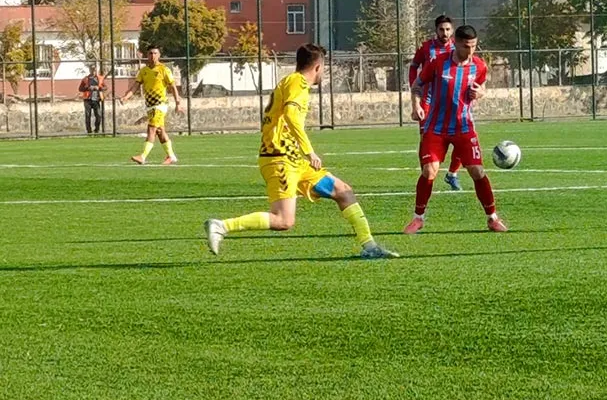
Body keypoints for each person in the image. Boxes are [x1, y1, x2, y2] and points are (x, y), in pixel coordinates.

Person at [204, 44, 398, 259]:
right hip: (280, 160)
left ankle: (369, 246)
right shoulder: (298, 83)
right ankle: (221, 226)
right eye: (323, 67)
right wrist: (309, 151)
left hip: (294, 160)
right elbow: (291, 116)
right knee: (283, 220)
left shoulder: (290, 81)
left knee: (342, 191)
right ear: (317, 67)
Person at [403, 25, 507, 234]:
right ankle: (418, 218)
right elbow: (417, 85)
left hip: (464, 127)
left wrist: (481, 94)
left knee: (477, 171)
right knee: (429, 170)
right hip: (436, 127)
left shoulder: (479, 65)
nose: (470, 51)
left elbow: (481, 87)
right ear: (456, 43)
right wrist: (416, 106)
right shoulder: (438, 63)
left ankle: (492, 218)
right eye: (466, 46)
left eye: (474, 46)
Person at [410, 14, 466, 190]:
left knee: (462, 138)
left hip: (452, 101)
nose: (445, 32)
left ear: (453, 30)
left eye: (448, 29)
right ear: (436, 30)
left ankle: (452, 174)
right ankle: (426, 175)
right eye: (441, 29)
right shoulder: (426, 48)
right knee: (425, 138)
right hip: (428, 101)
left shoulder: (457, 48)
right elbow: (414, 66)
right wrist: (414, 89)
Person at [121, 45, 180, 165]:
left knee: (151, 129)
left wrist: (177, 102)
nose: (152, 56)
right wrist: (126, 97)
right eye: (150, 53)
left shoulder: (164, 69)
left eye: (155, 53)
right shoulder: (143, 71)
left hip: (160, 104)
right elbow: (136, 86)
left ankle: (142, 156)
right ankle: (171, 156)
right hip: (149, 105)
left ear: (159, 55)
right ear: (147, 55)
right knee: (160, 131)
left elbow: (172, 86)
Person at [78, 65, 107, 134]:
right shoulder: (85, 79)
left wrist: (99, 88)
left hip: (96, 99)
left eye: (94, 70)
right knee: (88, 116)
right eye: (92, 70)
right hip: (87, 99)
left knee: (98, 115)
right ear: (89, 70)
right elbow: (80, 89)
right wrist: (88, 88)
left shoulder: (100, 78)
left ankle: (96, 129)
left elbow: (105, 87)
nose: (93, 71)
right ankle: (89, 131)